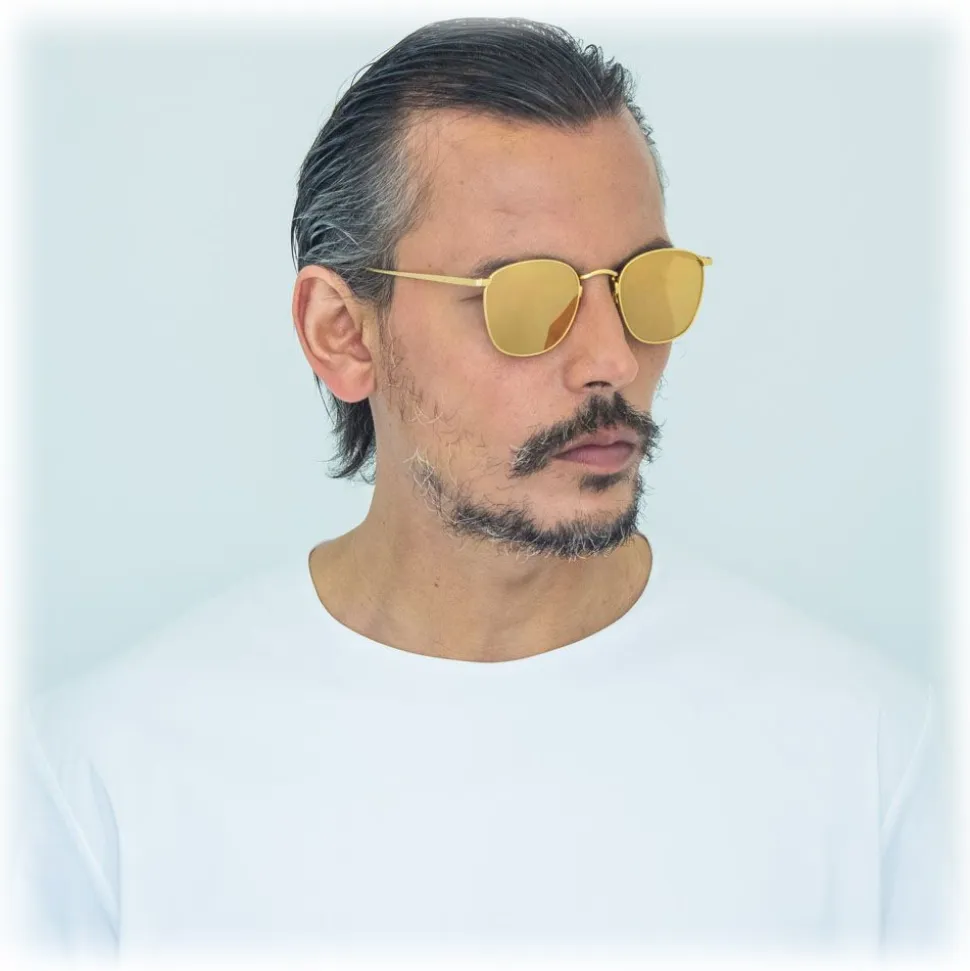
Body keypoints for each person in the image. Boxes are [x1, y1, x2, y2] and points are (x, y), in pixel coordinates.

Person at [13, 17, 949, 962]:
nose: (613, 359)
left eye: (646, 285)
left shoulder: (874, 759)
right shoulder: (103, 785)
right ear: (343, 333)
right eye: (525, 299)